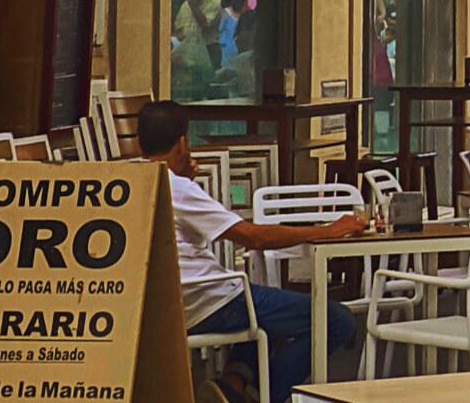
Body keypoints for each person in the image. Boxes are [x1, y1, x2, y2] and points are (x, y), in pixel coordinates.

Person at [141, 100, 363, 402]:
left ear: (141, 142)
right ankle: (260, 395)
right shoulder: (177, 188)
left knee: (266, 310)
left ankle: (233, 384)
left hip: (165, 305)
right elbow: (253, 237)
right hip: (209, 300)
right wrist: (326, 230)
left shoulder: (132, 181)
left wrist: (185, 179)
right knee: (337, 320)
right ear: (183, 142)